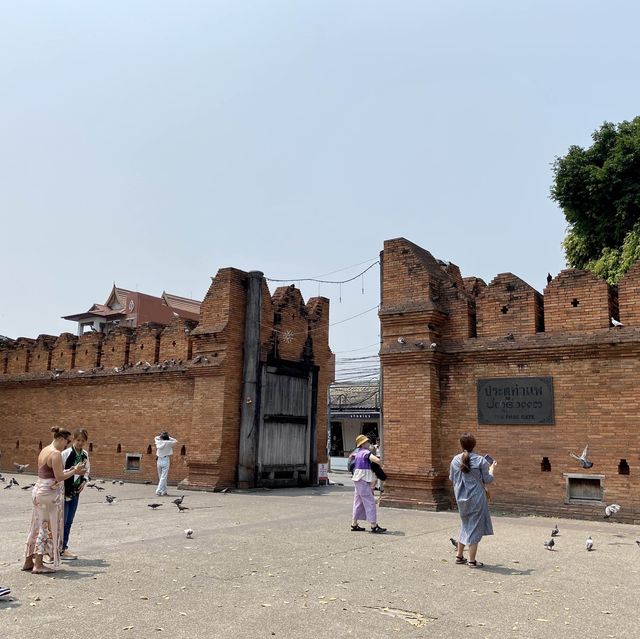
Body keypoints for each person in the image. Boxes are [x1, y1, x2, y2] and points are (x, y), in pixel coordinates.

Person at [22, 427, 86, 574]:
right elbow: (59, 477)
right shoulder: (55, 454)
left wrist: (71, 470)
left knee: (36, 526)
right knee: (46, 527)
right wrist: (75, 471)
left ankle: (28, 560)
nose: (67, 445)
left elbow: (49, 473)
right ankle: (38, 564)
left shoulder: (45, 450)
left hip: (39, 489)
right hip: (48, 494)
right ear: (61, 439)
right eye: (67, 441)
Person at [449, 432, 496, 568]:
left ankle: (459, 556)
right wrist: (492, 468)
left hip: (460, 498)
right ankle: (472, 560)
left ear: (461, 445)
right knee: (474, 527)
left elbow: (451, 478)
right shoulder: (481, 460)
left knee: (466, 524)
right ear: (474, 445)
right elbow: (488, 480)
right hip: (476, 498)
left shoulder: (455, 460)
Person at [60, 428, 91, 560]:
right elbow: (59, 471)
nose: (80, 443)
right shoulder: (66, 453)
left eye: (82, 441)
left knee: (69, 521)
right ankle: (58, 548)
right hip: (65, 490)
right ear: (73, 439)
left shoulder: (84, 454)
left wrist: (84, 481)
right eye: (78, 440)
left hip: (76, 490)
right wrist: (73, 471)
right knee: (62, 520)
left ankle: (64, 547)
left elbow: (87, 470)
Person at [350, 434, 386, 533]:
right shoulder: (366, 452)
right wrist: (382, 463)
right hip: (363, 479)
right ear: (363, 443)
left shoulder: (357, 453)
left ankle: (354, 524)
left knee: (358, 502)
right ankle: (374, 525)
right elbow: (378, 461)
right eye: (367, 442)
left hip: (357, 479)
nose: (368, 443)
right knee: (370, 502)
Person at [154, 431, 177, 496]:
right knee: (163, 477)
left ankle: (164, 490)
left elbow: (156, 437)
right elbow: (175, 441)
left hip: (159, 459)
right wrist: (168, 437)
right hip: (165, 459)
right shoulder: (169, 443)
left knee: (160, 476)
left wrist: (163, 436)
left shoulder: (158, 441)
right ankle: (158, 490)